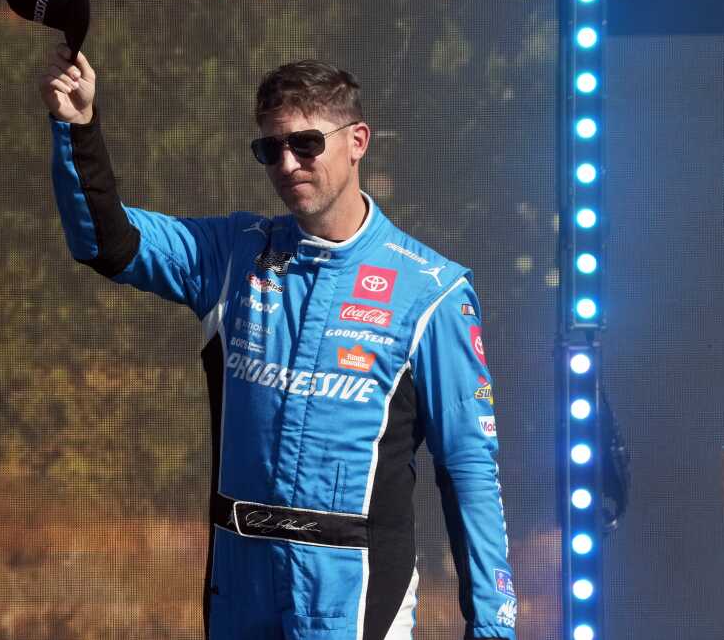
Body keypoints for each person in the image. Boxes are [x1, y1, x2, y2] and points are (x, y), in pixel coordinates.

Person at [40, 44, 517, 640]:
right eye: (271, 149)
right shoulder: (235, 253)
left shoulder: (432, 290)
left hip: (353, 591)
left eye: (306, 144)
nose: (288, 164)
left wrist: (493, 627)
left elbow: (468, 468)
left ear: (357, 141)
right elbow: (106, 241)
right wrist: (77, 126)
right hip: (241, 586)